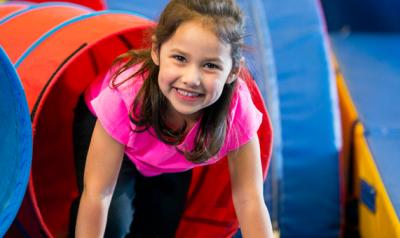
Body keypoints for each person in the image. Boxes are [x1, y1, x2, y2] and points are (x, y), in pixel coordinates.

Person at [74, 0, 273, 237]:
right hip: (110, 129)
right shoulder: (125, 96)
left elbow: (249, 199)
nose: (191, 79)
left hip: (173, 154)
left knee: (160, 226)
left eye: (210, 65)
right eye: (179, 58)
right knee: (113, 227)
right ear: (157, 51)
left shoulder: (237, 109)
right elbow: (98, 195)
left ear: (232, 72)